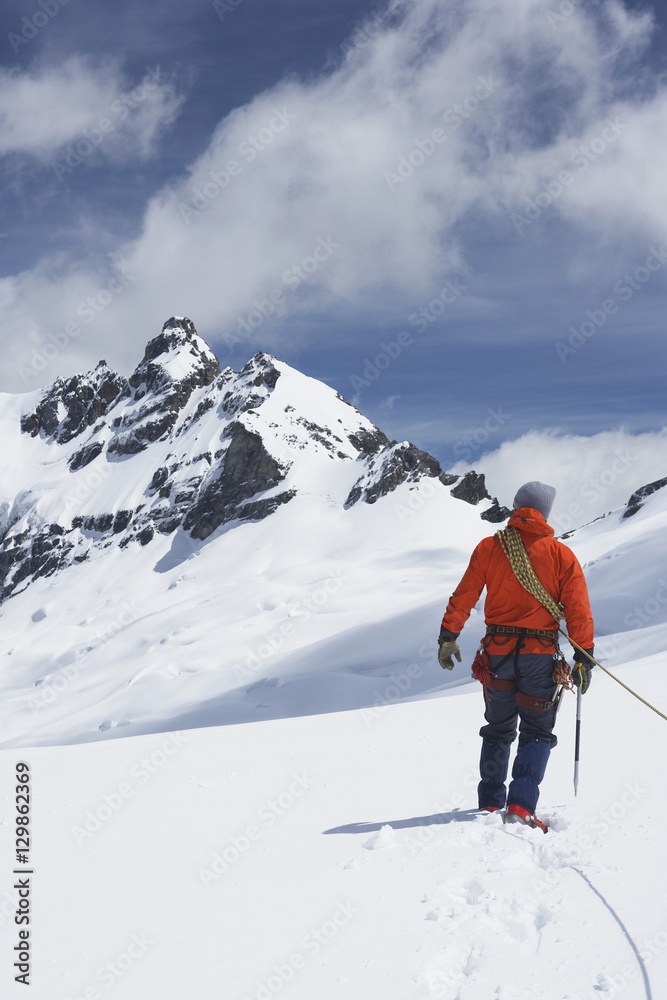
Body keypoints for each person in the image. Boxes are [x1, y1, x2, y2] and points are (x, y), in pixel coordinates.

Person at [437, 481, 595, 831]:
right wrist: (584, 657)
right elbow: (578, 610)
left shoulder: (489, 548)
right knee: (537, 730)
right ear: (546, 513)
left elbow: (464, 595)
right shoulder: (561, 555)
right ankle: (521, 806)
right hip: (540, 657)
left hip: (496, 654)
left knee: (498, 728)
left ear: (516, 507)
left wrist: (449, 636)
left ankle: (490, 803)